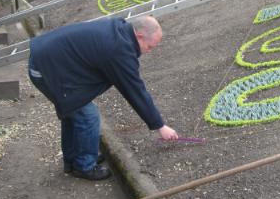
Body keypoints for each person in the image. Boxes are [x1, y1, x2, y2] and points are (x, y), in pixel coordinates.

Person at [28, 16, 178, 180]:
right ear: (139, 37)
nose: (150, 51)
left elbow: (88, 60)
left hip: (50, 60)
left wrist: (84, 94)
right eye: (149, 47)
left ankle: (74, 159)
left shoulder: (118, 30)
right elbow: (135, 92)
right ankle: (84, 166)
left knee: (74, 110)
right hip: (45, 70)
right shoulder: (119, 50)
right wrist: (160, 126)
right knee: (88, 117)